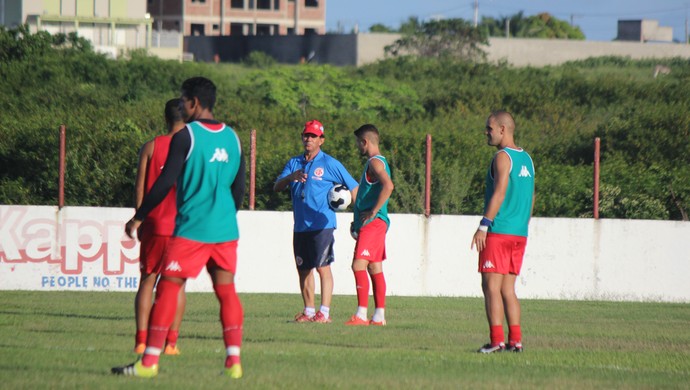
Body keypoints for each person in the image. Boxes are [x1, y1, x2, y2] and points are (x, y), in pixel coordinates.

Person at [113, 76, 246, 379]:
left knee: (168, 287)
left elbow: (164, 182)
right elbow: (239, 189)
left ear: (194, 103)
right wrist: (224, 216)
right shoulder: (234, 138)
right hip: (225, 228)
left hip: (192, 228)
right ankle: (233, 363)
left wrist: (139, 216)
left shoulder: (186, 136)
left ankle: (148, 363)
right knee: (226, 291)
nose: (182, 105)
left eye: (184, 100)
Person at [274, 120, 359, 324]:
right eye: (306, 135)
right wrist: (290, 178)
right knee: (303, 269)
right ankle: (309, 311)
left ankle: (325, 313)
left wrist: (358, 216)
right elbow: (277, 187)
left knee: (323, 267)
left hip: (322, 224)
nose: (308, 139)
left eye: (313, 136)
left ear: (322, 140)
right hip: (301, 225)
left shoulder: (330, 163)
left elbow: (354, 188)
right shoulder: (294, 163)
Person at [471, 110, 535, 353]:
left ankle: (496, 341)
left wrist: (484, 225)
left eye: (489, 128)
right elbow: (531, 197)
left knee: (491, 287)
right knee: (508, 289)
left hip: (498, 232)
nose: (486, 132)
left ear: (502, 130)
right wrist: (522, 224)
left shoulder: (502, 157)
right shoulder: (527, 159)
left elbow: (499, 192)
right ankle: (515, 341)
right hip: (519, 233)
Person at [132, 98, 187, 356]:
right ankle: (171, 344)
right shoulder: (192, 149)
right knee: (176, 285)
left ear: (165, 118)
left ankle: (141, 341)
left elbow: (140, 186)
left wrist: (139, 217)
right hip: (182, 226)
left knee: (147, 280)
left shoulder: (151, 146)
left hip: (153, 222)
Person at [345, 124, 394, 326]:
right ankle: (379, 316)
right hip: (373, 224)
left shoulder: (375, 163)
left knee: (358, 264)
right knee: (374, 267)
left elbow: (388, 185)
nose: (357, 146)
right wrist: (356, 222)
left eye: (359, 142)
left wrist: (373, 211)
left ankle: (361, 314)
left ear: (365, 142)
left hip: (374, 224)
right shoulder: (376, 162)